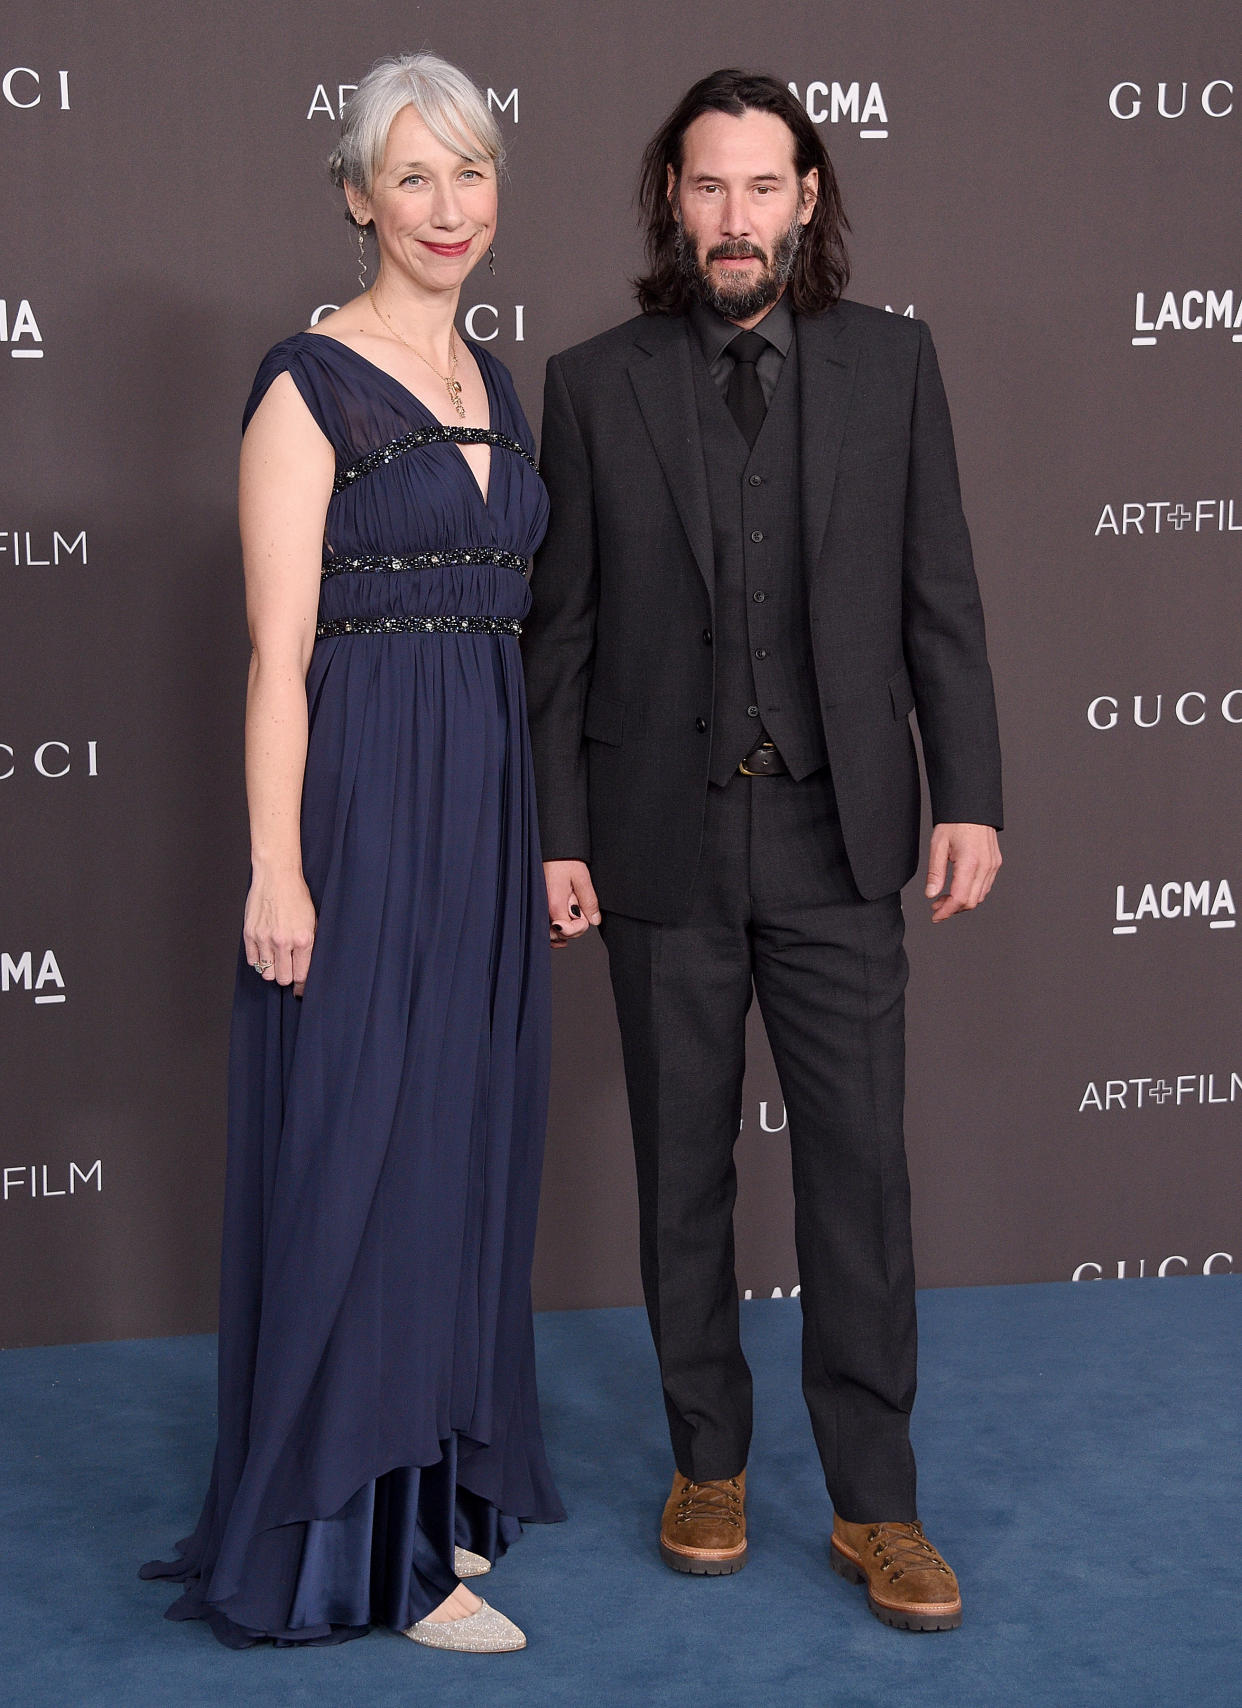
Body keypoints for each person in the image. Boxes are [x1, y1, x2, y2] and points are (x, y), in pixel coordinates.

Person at [522, 68, 1002, 1633]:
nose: (736, 218)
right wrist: (559, 832)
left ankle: (878, 1507)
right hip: (659, 841)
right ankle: (706, 1464)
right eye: (707, 188)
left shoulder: (895, 366)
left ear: (808, 200)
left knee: (858, 1186)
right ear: (674, 199)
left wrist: (969, 792)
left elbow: (941, 597)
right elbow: (563, 636)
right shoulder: (590, 384)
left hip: (840, 835)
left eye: (763, 186)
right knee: (679, 1181)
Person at [141, 52, 563, 1654]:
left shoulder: (490, 382)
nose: (447, 209)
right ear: (353, 196)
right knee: (362, 1164)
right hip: (363, 809)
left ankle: (432, 1497)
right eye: (411, 177)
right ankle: (355, 1549)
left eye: (469, 174)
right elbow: (276, 654)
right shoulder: (301, 385)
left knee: (456, 1154)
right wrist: (276, 867)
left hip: (486, 798)